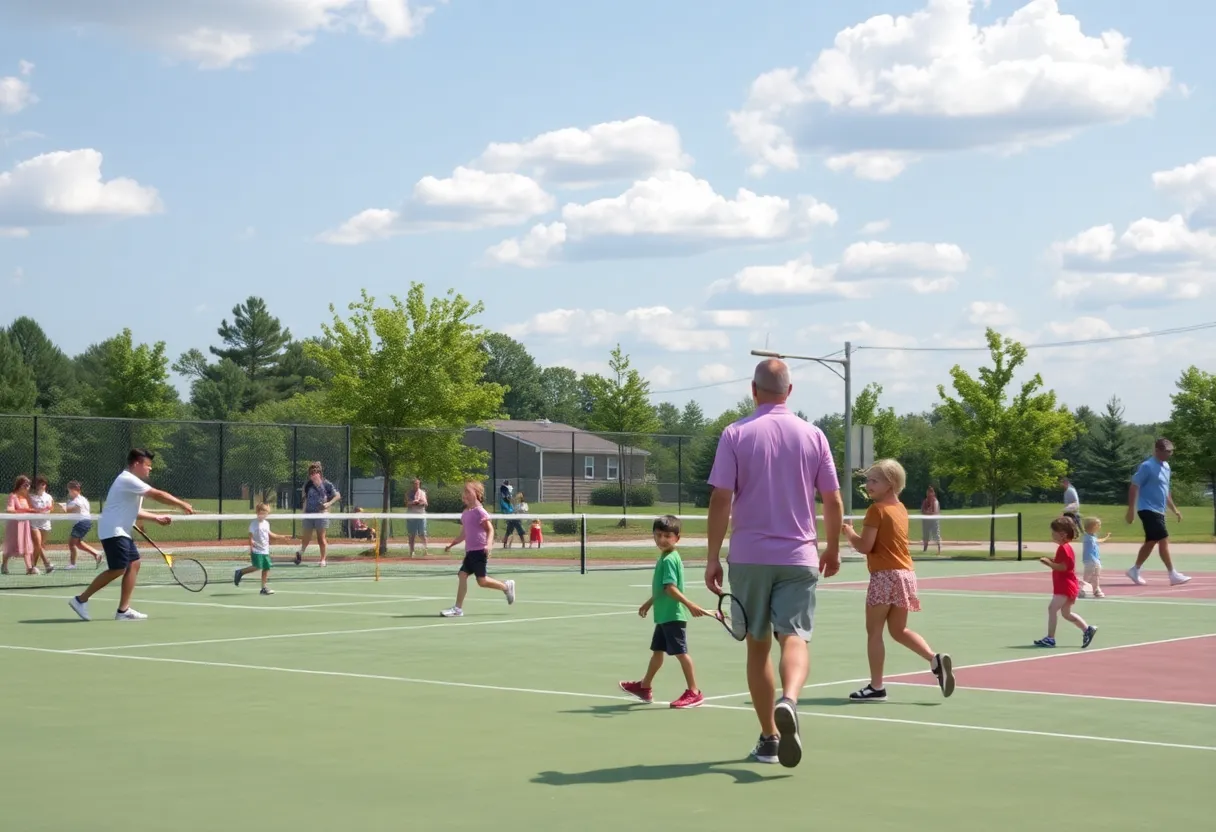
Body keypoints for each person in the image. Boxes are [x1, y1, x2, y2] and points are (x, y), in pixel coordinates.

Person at [705, 358, 843, 769]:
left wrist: (712, 556)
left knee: (757, 647)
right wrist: (833, 548)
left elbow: (720, 498)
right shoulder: (814, 435)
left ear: (753, 390)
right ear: (790, 390)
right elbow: (832, 499)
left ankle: (769, 737)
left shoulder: (735, 434)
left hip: (749, 556)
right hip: (799, 556)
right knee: (795, 637)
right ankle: (790, 699)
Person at [842, 460, 955, 702]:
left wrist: (848, 533)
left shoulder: (876, 510)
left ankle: (876, 686)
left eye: (874, 480)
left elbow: (864, 546)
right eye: (868, 480)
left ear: (890, 484)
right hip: (906, 575)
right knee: (898, 630)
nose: (868, 485)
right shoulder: (901, 509)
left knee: (874, 632)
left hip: (885, 576)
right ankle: (934, 659)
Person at [68, 448, 194, 622]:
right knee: (118, 568)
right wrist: (181, 504)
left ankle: (123, 610)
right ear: (136, 464)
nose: (150, 469)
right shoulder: (127, 479)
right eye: (147, 465)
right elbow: (157, 494)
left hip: (121, 531)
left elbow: (135, 511)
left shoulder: (131, 483)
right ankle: (80, 600)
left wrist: (155, 518)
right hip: (113, 530)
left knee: (134, 564)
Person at [619, 515, 708, 709]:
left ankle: (694, 692)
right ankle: (644, 686)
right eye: (658, 535)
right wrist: (649, 602)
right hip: (663, 614)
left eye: (667, 536)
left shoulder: (669, 559)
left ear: (677, 537)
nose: (661, 540)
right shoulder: (666, 557)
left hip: (672, 615)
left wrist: (690, 605)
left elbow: (671, 588)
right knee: (657, 653)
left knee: (681, 653)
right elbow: (662, 589)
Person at [440, 481, 516, 617]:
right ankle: (458, 609)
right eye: (465, 492)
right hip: (470, 552)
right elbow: (464, 533)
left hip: (480, 550)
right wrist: (452, 544)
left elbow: (490, 529)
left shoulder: (480, 512)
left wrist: (488, 545)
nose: (466, 495)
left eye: (469, 492)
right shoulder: (465, 513)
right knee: (462, 575)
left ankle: (506, 587)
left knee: (482, 581)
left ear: (477, 494)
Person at [1125, 438, 1190, 586]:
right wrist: (1131, 510)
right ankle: (1172, 574)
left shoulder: (1166, 467)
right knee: (1163, 539)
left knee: (1151, 542)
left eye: (1171, 451)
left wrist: (1174, 509)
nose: (1169, 454)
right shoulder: (1147, 466)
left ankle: (1134, 570)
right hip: (1147, 509)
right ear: (1157, 451)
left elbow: (1165, 491)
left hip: (1159, 510)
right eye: (1166, 451)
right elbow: (1134, 486)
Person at [1034, 517, 1097, 649]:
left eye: (1054, 532)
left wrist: (1049, 563)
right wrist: (1051, 560)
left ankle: (1050, 638)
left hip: (1065, 585)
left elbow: (1063, 567)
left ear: (1062, 534)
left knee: (1052, 609)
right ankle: (1087, 629)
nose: (1052, 535)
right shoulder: (1064, 548)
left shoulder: (1064, 548)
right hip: (1066, 585)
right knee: (1066, 613)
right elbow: (1062, 563)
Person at [235, 502, 292, 595]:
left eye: (266, 513)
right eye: (263, 513)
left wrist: (281, 537)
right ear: (258, 512)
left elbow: (270, 534)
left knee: (266, 567)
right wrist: (251, 546)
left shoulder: (266, 523)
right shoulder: (253, 524)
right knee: (258, 566)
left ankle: (263, 588)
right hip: (256, 549)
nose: (265, 515)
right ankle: (240, 572)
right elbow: (250, 537)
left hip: (265, 549)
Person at [294, 463, 339, 568]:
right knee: (306, 538)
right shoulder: (307, 484)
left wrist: (328, 504)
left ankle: (323, 559)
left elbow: (337, 495)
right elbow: (304, 499)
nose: (313, 474)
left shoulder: (326, 484)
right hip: (309, 514)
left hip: (321, 515)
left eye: (315, 472)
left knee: (321, 538)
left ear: (320, 473)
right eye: (311, 473)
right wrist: (304, 513)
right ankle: (300, 553)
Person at [60, 480, 102, 568]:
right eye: (70, 490)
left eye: (70, 490)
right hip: (85, 522)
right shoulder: (83, 499)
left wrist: (61, 506)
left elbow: (67, 510)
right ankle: (96, 554)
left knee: (71, 543)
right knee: (78, 543)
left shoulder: (77, 501)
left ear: (76, 490)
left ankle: (72, 564)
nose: (70, 493)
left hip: (82, 523)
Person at [3, 475, 37, 575]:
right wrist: (24, 510)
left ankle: (29, 568)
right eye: (25, 485)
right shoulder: (13, 496)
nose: (27, 487)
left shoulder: (26, 498)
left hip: (25, 524)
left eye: (28, 485)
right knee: (11, 546)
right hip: (15, 526)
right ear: (19, 485)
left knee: (27, 546)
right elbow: (9, 509)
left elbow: (31, 510)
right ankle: (4, 565)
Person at [28, 475, 55, 573]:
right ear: (36, 485)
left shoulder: (48, 496)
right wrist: (36, 510)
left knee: (39, 546)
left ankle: (32, 567)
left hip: (45, 523)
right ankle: (47, 563)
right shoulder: (31, 496)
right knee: (38, 544)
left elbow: (52, 507)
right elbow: (29, 508)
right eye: (40, 484)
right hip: (34, 523)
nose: (42, 486)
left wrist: (48, 508)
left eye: (44, 484)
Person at [1080, 517, 1110, 598]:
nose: (1099, 527)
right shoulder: (1088, 538)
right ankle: (1084, 590)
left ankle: (1096, 590)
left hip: (1094, 560)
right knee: (1090, 576)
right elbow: (1096, 541)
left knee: (1095, 576)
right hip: (1091, 560)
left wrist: (1106, 537)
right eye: (1098, 525)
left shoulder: (1092, 536)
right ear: (1093, 527)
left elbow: (1097, 541)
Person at [406, 478, 429, 557]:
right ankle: (412, 551)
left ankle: (425, 550)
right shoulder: (409, 493)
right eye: (414, 484)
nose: (416, 485)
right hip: (411, 516)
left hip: (421, 515)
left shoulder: (422, 493)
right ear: (412, 484)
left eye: (417, 484)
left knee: (422, 533)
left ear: (419, 484)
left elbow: (426, 503)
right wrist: (413, 502)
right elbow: (407, 503)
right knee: (411, 534)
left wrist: (419, 503)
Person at [920, 485, 941, 554]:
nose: (929, 494)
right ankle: (925, 549)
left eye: (930, 492)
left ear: (933, 493)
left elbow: (935, 512)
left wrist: (928, 512)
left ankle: (939, 549)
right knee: (925, 535)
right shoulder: (925, 501)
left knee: (936, 535)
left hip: (934, 521)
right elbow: (922, 510)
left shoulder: (935, 501)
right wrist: (927, 512)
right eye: (928, 492)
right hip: (926, 521)